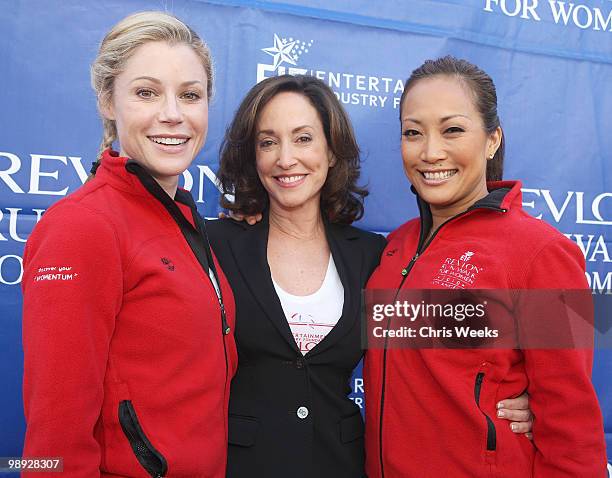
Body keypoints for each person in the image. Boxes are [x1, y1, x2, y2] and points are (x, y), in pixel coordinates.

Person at [207, 74, 533, 478]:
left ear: (331, 151)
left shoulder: (374, 255)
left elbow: (451, 349)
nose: (285, 158)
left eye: (304, 138)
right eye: (267, 142)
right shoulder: (214, 244)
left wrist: (531, 398)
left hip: (341, 464)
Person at [363, 56, 608, 477]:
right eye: (412, 133)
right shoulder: (393, 248)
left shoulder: (542, 253)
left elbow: (571, 425)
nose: (430, 151)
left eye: (452, 129)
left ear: (492, 139)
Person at [21, 12, 237, 477]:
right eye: (146, 92)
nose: (173, 114)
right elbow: (53, 438)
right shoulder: (82, 226)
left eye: (190, 95)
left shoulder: (184, 220)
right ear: (106, 100)